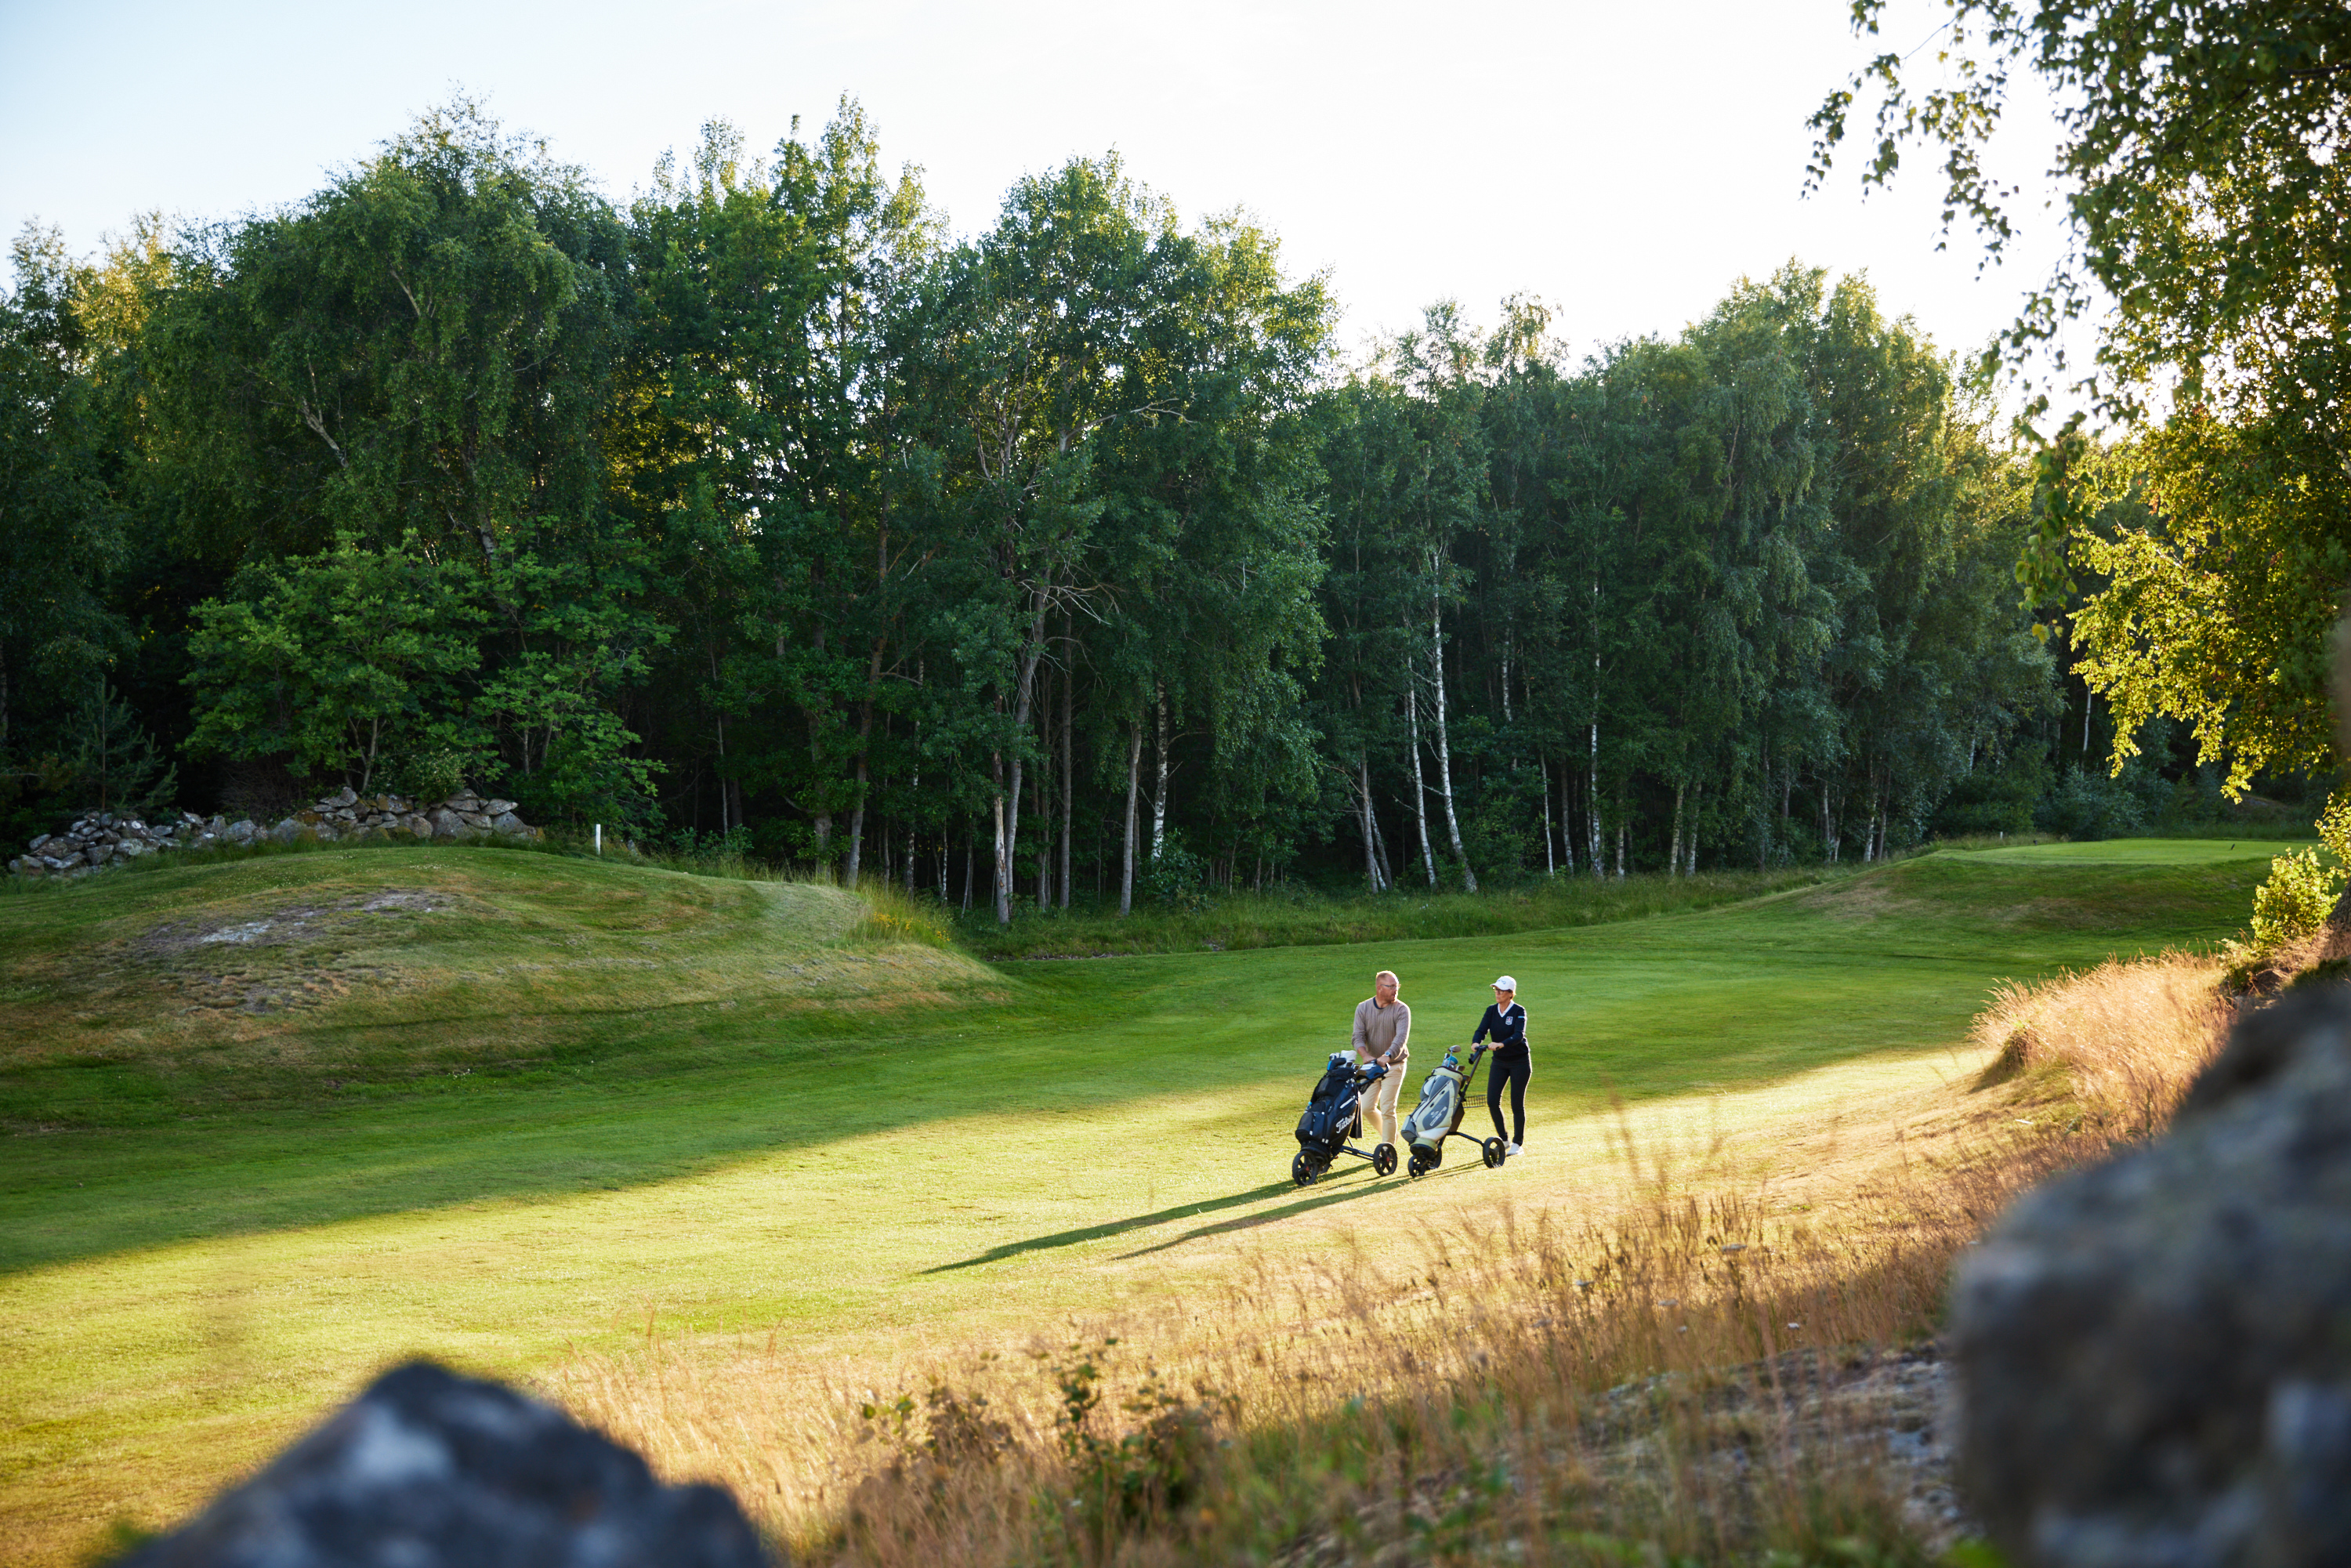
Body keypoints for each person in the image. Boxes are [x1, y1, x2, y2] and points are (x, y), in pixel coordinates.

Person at [1351, 969, 1411, 1151]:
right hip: (1372, 1066)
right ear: (1379, 988)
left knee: (1387, 1108)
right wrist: (1366, 1056)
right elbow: (1357, 1036)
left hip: (1394, 1065)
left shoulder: (1402, 1009)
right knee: (1367, 1107)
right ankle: (1390, 1136)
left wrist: (1387, 1056)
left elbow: (1401, 1039)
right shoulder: (1363, 1008)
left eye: (1397, 986)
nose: (1395, 990)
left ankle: (1387, 1149)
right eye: (1391, 986)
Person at [1473, 975, 1529, 1156]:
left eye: (1501, 990)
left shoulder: (1519, 1011)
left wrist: (1501, 1044)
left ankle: (1517, 1144)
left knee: (1516, 1104)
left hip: (1519, 1061)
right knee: (1492, 1100)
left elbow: (1518, 1035)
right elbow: (1482, 1030)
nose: (1497, 993)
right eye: (1495, 989)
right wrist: (1476, 1042)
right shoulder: (1491, 1010)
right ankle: (1504, 1140)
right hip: (1500, 1061)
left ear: (1511, 994)